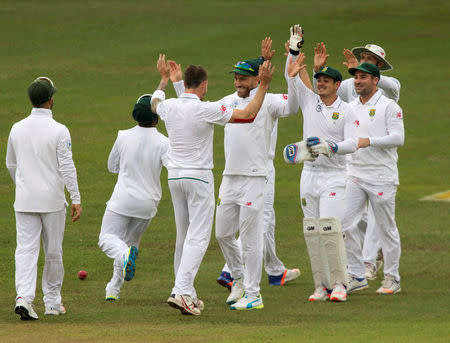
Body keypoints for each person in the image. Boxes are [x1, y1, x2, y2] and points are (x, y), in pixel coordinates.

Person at [151, 54, 274, 315]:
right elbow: (249, 114)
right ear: (204, 86)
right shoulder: (205, 109)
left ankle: (182, 291)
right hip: (198, 178)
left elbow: (154, 103)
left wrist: (164, 82)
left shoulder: (169, 106)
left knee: (183, 236)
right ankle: (183, 291)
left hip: (174, 178)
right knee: (198, 236)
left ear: (184, 84)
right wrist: (263, 84)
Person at [214, 38, 300, 294]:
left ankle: (255, 285)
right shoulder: (228, 100)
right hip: (230, 176)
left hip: (258, 174)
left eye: (243, 78)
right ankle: (244, 274)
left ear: (255, 80)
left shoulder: (271, 100)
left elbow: (293, 107)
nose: (238, 82)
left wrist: (292, 73)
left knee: (260, 225)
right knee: (223, 233)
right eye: (235, 78)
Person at [314, 43, 401, 280]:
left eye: (369, 59)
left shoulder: (391, 86)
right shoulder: (353, 85)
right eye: (361, 57)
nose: (362, 60)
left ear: (379, 67)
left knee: (377, 219)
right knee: (352, 220)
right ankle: (361, 266)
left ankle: (370, 263)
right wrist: (318, 71)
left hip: (379, 166)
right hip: (353, 163)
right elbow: (327, 94)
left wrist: (361, 71)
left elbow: (388, 86)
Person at [284, 27, 359, 302]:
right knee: (312, 229)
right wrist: (293, 51)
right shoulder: (310, 100)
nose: (321, 83)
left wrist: (332, 147)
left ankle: (340, 284)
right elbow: (293, 74)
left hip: (335, 176)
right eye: (319, 79)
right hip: (309, 174)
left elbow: (353, 143)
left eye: (326, 80)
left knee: (329, 227)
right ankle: (321, 285)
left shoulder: (346, 110)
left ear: (337, 85)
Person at [6, 77, 82, 320]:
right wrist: (76, 198)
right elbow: (67, 166)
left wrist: (23, 184)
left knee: (25, 250)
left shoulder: (17, 128)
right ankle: (52, 302)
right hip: (51, 201)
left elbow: (11, 164)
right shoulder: (59, 130)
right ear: (50, 100)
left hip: (25, 200)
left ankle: (24, 298)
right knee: (53, 251)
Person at [97, 94, 169, 301]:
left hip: (123, 200)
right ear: (156, 118)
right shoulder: (164, 142)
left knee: (107, 240)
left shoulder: (123, 135)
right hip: (148, 205)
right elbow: (171, 166)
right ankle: (113, 289)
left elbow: (112, 167)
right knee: (129, 243)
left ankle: (122, 262)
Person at [342, 63, 404, 295]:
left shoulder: (389, 106)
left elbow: (398, 137)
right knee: (345, 224)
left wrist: (369, 141)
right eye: (356, 77)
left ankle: (392, 278)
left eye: (363, 77)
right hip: (355, 174)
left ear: (375, 80)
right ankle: (357, 275)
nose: (358, 81)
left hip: (381, 176)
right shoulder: (349, 107)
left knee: (386, 229)